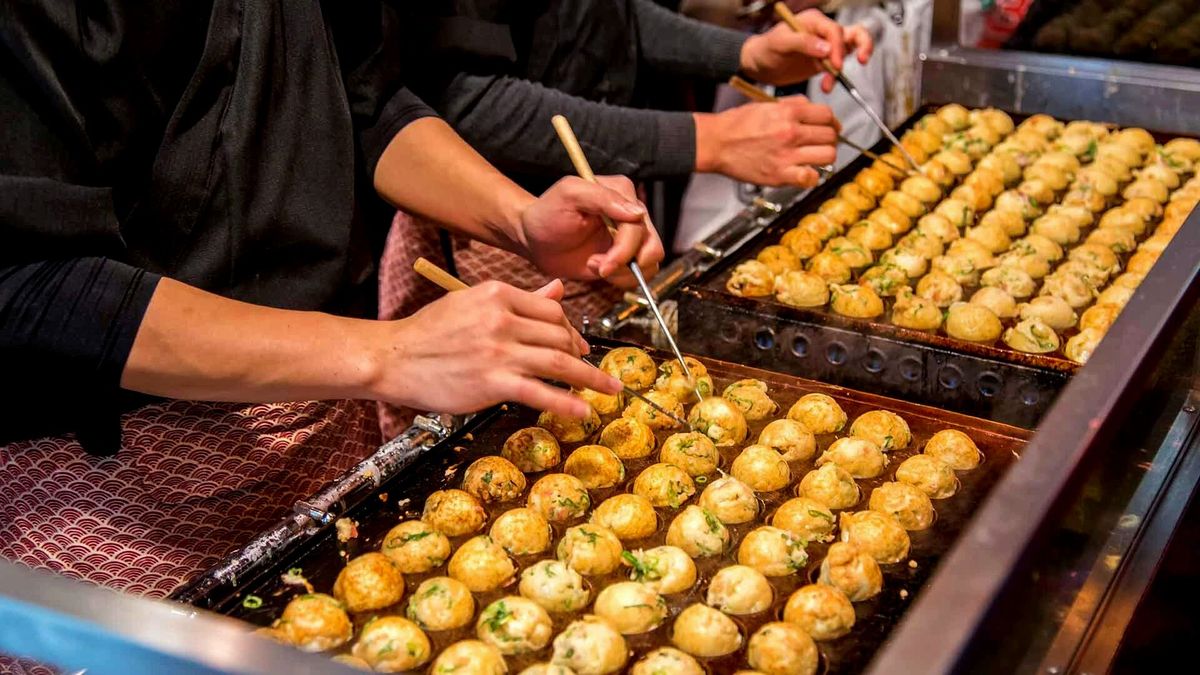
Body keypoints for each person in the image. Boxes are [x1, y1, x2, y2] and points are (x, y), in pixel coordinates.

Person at [0, 0, 661, 601]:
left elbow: (363, 102)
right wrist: (388, 352)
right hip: (118, 481)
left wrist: (520, 220)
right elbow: (26, 277)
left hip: (325, 407)